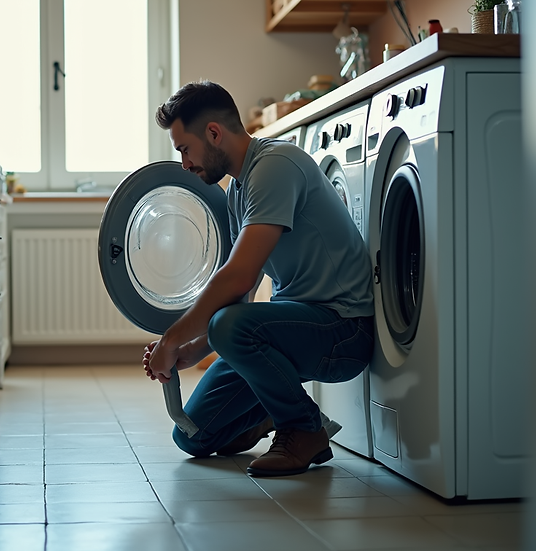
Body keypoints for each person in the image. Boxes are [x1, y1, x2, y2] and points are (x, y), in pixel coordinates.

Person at [142, 80, 374, 477]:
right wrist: (194, 349)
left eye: (184, 149)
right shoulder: (238, 191)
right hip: (294, 329)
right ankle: (274, 411)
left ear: (213, 133)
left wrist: (171, 339)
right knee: (193, 435)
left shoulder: (275, 166)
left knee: (228, 325)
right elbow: (244, 292)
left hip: (342, 329)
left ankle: (303, 428)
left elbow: (237, 277)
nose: (184, 163)